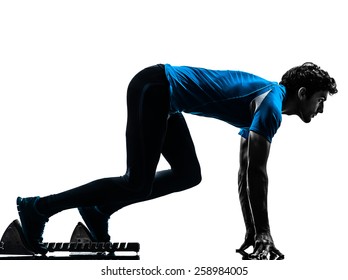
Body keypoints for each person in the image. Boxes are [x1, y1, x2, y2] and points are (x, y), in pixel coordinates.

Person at [16, 62, 337, 259]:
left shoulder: (265, 101)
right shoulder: (271, 106)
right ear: (304, 92)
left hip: (164, 96)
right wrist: (266, 232)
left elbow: (244, 173)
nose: (320, 110)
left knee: (188, 174)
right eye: (321, 101)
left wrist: (254, 230)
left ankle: (99, 209)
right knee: (136, 182)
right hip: (155, 87)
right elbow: (258, 174)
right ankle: (39, 208)